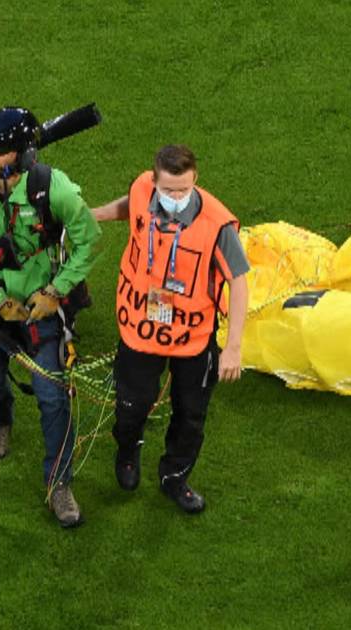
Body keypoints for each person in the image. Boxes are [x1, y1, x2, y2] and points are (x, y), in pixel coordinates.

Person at [0, 106, 101, 528]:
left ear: (24, 154)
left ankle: (59, 483)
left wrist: (55, 291)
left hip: (39, 310)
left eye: (0, 150)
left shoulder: (52, 189)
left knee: (52, 397)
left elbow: (88, 239)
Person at [91, 145, 249, 514]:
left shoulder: (216, 225)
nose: (175, 198)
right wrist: (95, 214)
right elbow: (131, 206)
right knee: (130, 407)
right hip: (140, 330)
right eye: (168, 190)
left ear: (196, 180)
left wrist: (233, 347)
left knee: (190, 416)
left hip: (193, 340)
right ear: (154, 180)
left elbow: (239, 282)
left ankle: (174, 478)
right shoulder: (142, 188)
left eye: (183, 190)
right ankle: (128, 452)